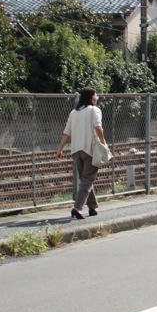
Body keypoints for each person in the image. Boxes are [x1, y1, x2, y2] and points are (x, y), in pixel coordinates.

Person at [56, 87, 108, 219]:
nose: (97, 98)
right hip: (90, 150)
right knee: (87, 180)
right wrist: (104, 143)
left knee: (86, 179)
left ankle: (92, 207)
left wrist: (60, 149)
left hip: (76, 151)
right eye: (96, 95)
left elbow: (66, 132)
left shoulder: (74, 112)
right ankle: (77, 208)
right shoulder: (94, 110)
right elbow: (98, 127)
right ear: (91, 97)